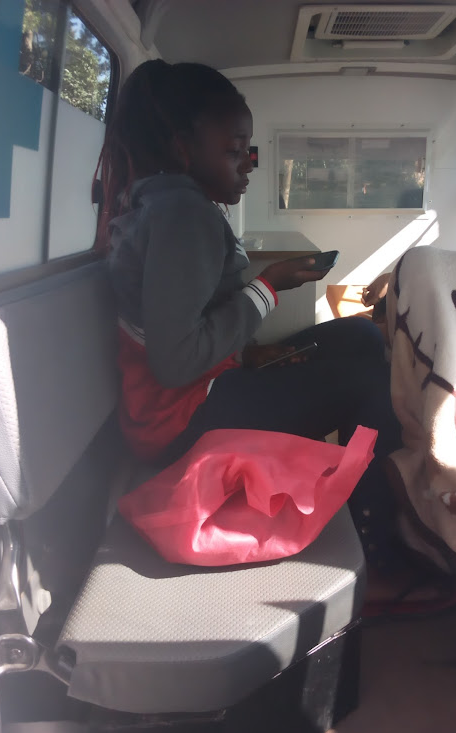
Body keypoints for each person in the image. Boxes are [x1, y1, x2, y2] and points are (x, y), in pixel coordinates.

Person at [95, 59, 405, 577]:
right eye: (234, 152)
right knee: (366, 379)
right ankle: (380, 543)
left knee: (356, 334)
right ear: (181, 148)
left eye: (248, 152)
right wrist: (269, 287)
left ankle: (369, 508)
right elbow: (176, 362)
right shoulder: (183, 214)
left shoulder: (163, 204)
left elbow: (183, 323)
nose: (247, 165)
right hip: (179, 422)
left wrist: (247, 351)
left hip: (194, 396)